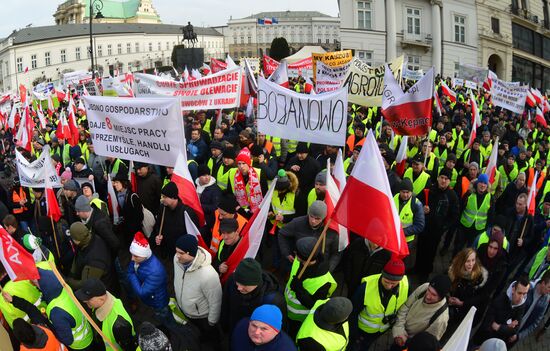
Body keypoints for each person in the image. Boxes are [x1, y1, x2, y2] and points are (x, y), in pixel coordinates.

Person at [173, 234, 222, 347]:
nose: (177, 256)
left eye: (181, 253)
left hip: (203, 316)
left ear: (191, 253)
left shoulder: (208, 275)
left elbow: (216, 301)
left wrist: (212, 321)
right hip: (188, 312)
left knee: (212, 333)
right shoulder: (176, 260)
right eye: (176, 251)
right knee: (200, 331)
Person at [350, 259, 409, 351]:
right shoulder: (365, 288)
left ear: (400, 280)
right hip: (362, 331)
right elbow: (352, 312)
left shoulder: (406, 286)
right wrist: (354, 334)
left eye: (393, 284)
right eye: (386, 281)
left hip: (381, 331)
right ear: (382, 274)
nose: (389, 286)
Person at [126, 231, 179, 332]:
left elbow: (141, 292)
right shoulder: (138, 258)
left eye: (135, 256)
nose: (132, 259)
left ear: (144, 255)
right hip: (151, 299)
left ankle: (173, 332)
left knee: (164, 317)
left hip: (158, 302)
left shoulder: (156, 271)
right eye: (132, 255)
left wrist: (132, 274)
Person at [285, 237, 337, 337]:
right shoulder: (298, 260)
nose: (295, 253)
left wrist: (299, 290)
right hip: (286, 308)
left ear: (304, 257)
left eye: (297, 252)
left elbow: (314, 305)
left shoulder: (324, 282)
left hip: (300, 319)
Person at [415, 168, 460, 281]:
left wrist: (443, 227)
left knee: (430, 251)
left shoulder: (452, 196)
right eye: (442, 178)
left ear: (449, 181)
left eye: (446, 179)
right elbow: (417, 202)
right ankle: (416, 267)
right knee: (420, 247)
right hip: (424, 226)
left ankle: (425, 272)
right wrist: (422, 209)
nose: (443, 181)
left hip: (436, 231)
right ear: (438, 178)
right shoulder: (429, 189)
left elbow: (454, 216)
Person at [221, 258, 286, 333]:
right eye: (237, 283)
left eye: (244, 285)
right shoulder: (232, 280)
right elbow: (225, 305)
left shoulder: (273, 300)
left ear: (256, 283)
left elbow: (279, 328)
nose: (239, 288)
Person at [391, 275, 451, 350]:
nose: (428, 296)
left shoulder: (441, 319)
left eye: (434, 295)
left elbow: (425, 344)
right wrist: (399, 330)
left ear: (441, 297)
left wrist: (405, 341)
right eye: (429, 290)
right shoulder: (424, 288)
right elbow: (405, 306)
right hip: (399, 330)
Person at [279, 201, 341, 272]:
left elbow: (336, 253)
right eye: (311, 216)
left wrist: (328, 269)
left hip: (320, 269)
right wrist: (286, 253)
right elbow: (282, 233)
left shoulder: (331, 231)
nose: (313, 221)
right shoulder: (298, 223)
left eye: (317, 218)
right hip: (299, 267)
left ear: (323, 217)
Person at [75, 278, 136, 351]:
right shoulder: (98, 304)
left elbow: (129, 348)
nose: (84, 301)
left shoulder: (120, 325)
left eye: (88, 299)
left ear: (101, 299)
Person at [475, 276, 529, 347]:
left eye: (524, 293)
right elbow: (487, 325)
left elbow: (515, 330)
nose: (521, 298)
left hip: (497, 344)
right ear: (513, 290)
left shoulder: (522, 304)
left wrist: (499, 327)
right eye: (519, 293)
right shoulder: (499, 300)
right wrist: (508, 327)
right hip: (481, 341)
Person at [66, 222, 117, 293]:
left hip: (102, 291)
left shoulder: (94, 261)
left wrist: (68, 282)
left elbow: (86, 284)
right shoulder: (92, 238)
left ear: (77, 240)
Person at [154, 181, 199, 258]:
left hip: (180, 253)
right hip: (166, 251)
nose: (162, 199)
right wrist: (158, 235)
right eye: (162, 196)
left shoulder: (187, 212)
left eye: (165, 197)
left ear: (173, 197)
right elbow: (158, 225)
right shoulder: (163, 208)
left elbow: (193, 234)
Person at [446, 248, 488, 330]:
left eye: (473, 260)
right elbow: (446, 287)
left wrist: (462, 303)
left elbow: (480, 298)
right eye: (468, 261)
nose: (471, 264)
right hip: (450, 307)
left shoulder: (480, 278)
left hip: (464, 312)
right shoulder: (453, 272)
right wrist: (448, 298)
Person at [509, 270, 550, 347]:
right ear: (543, 283)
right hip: (506, 327)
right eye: (549, 287)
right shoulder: (528, 288)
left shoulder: (546, 300)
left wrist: (519, 336)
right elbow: (509, 306)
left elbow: (535, 323)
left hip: (516, 336)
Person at [231, 304, 296, 351]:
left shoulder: (286, 348)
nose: (256, 332)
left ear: (276, 331)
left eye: (264, 328)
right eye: (254, 325)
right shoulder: (241, 328)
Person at [394, 179, 425, 270]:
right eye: (403, 192)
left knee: (403, 262)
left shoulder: (416, 204)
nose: (405, 195)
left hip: (407, 241)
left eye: (408, 192)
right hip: (394, 237)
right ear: (399, 191)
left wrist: (401, 232)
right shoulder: (395, 197)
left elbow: (420, 226)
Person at [195, 164, 222, 235]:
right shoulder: (194, 186)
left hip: (208, 222)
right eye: (204, 175)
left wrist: (199, 206)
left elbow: (216, 207)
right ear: (199, 176)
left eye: (208, 175)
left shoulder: (215, 189)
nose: (207, 177)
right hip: (196, 219)